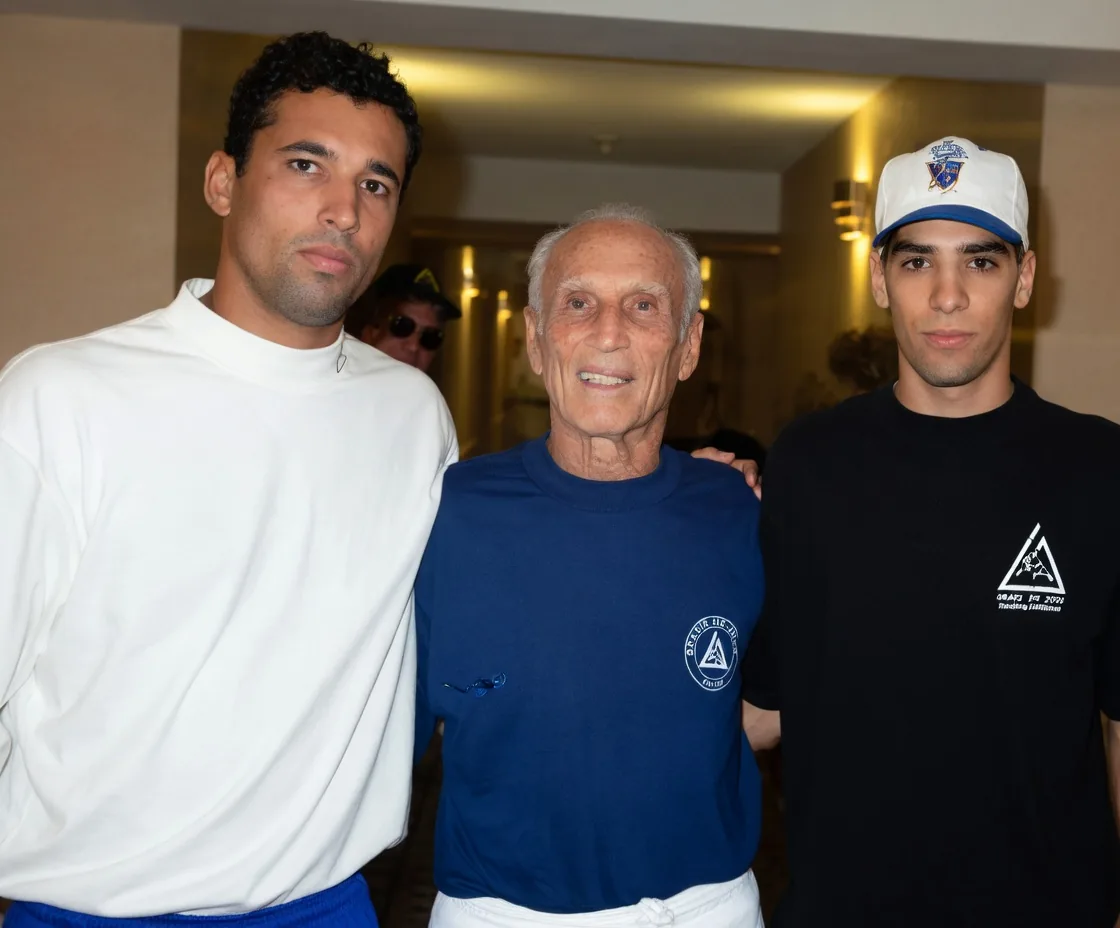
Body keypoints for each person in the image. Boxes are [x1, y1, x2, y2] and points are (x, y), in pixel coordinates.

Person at [0, 32, 456, 927]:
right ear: (223, 181)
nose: (343, 210)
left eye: (376, 183)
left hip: (318, 905)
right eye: (305, 164)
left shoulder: (412, 417)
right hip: (86, 908)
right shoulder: (63, 395)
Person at [741, 136, 1120, 927]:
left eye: (980, 262)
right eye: (917, 262)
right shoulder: (809, 463)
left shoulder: (1099, 467)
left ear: (1025, 278)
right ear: (879, 278)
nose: (948, 296)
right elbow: (765, 708)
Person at [415, 204, 766, 928]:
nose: (609, 332)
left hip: (705, 907)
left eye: (643, 305)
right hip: (500, 912)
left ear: (688, 343)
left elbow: (763, 709)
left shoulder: (739, 510)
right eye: (578, 303)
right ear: (537, 341)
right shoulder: (442, 513)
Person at [344, 264, 461, 373]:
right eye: (403, 327)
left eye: (430, 337)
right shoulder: (333, 389)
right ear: (368, 331)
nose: (413, 346)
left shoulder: (427, 394)